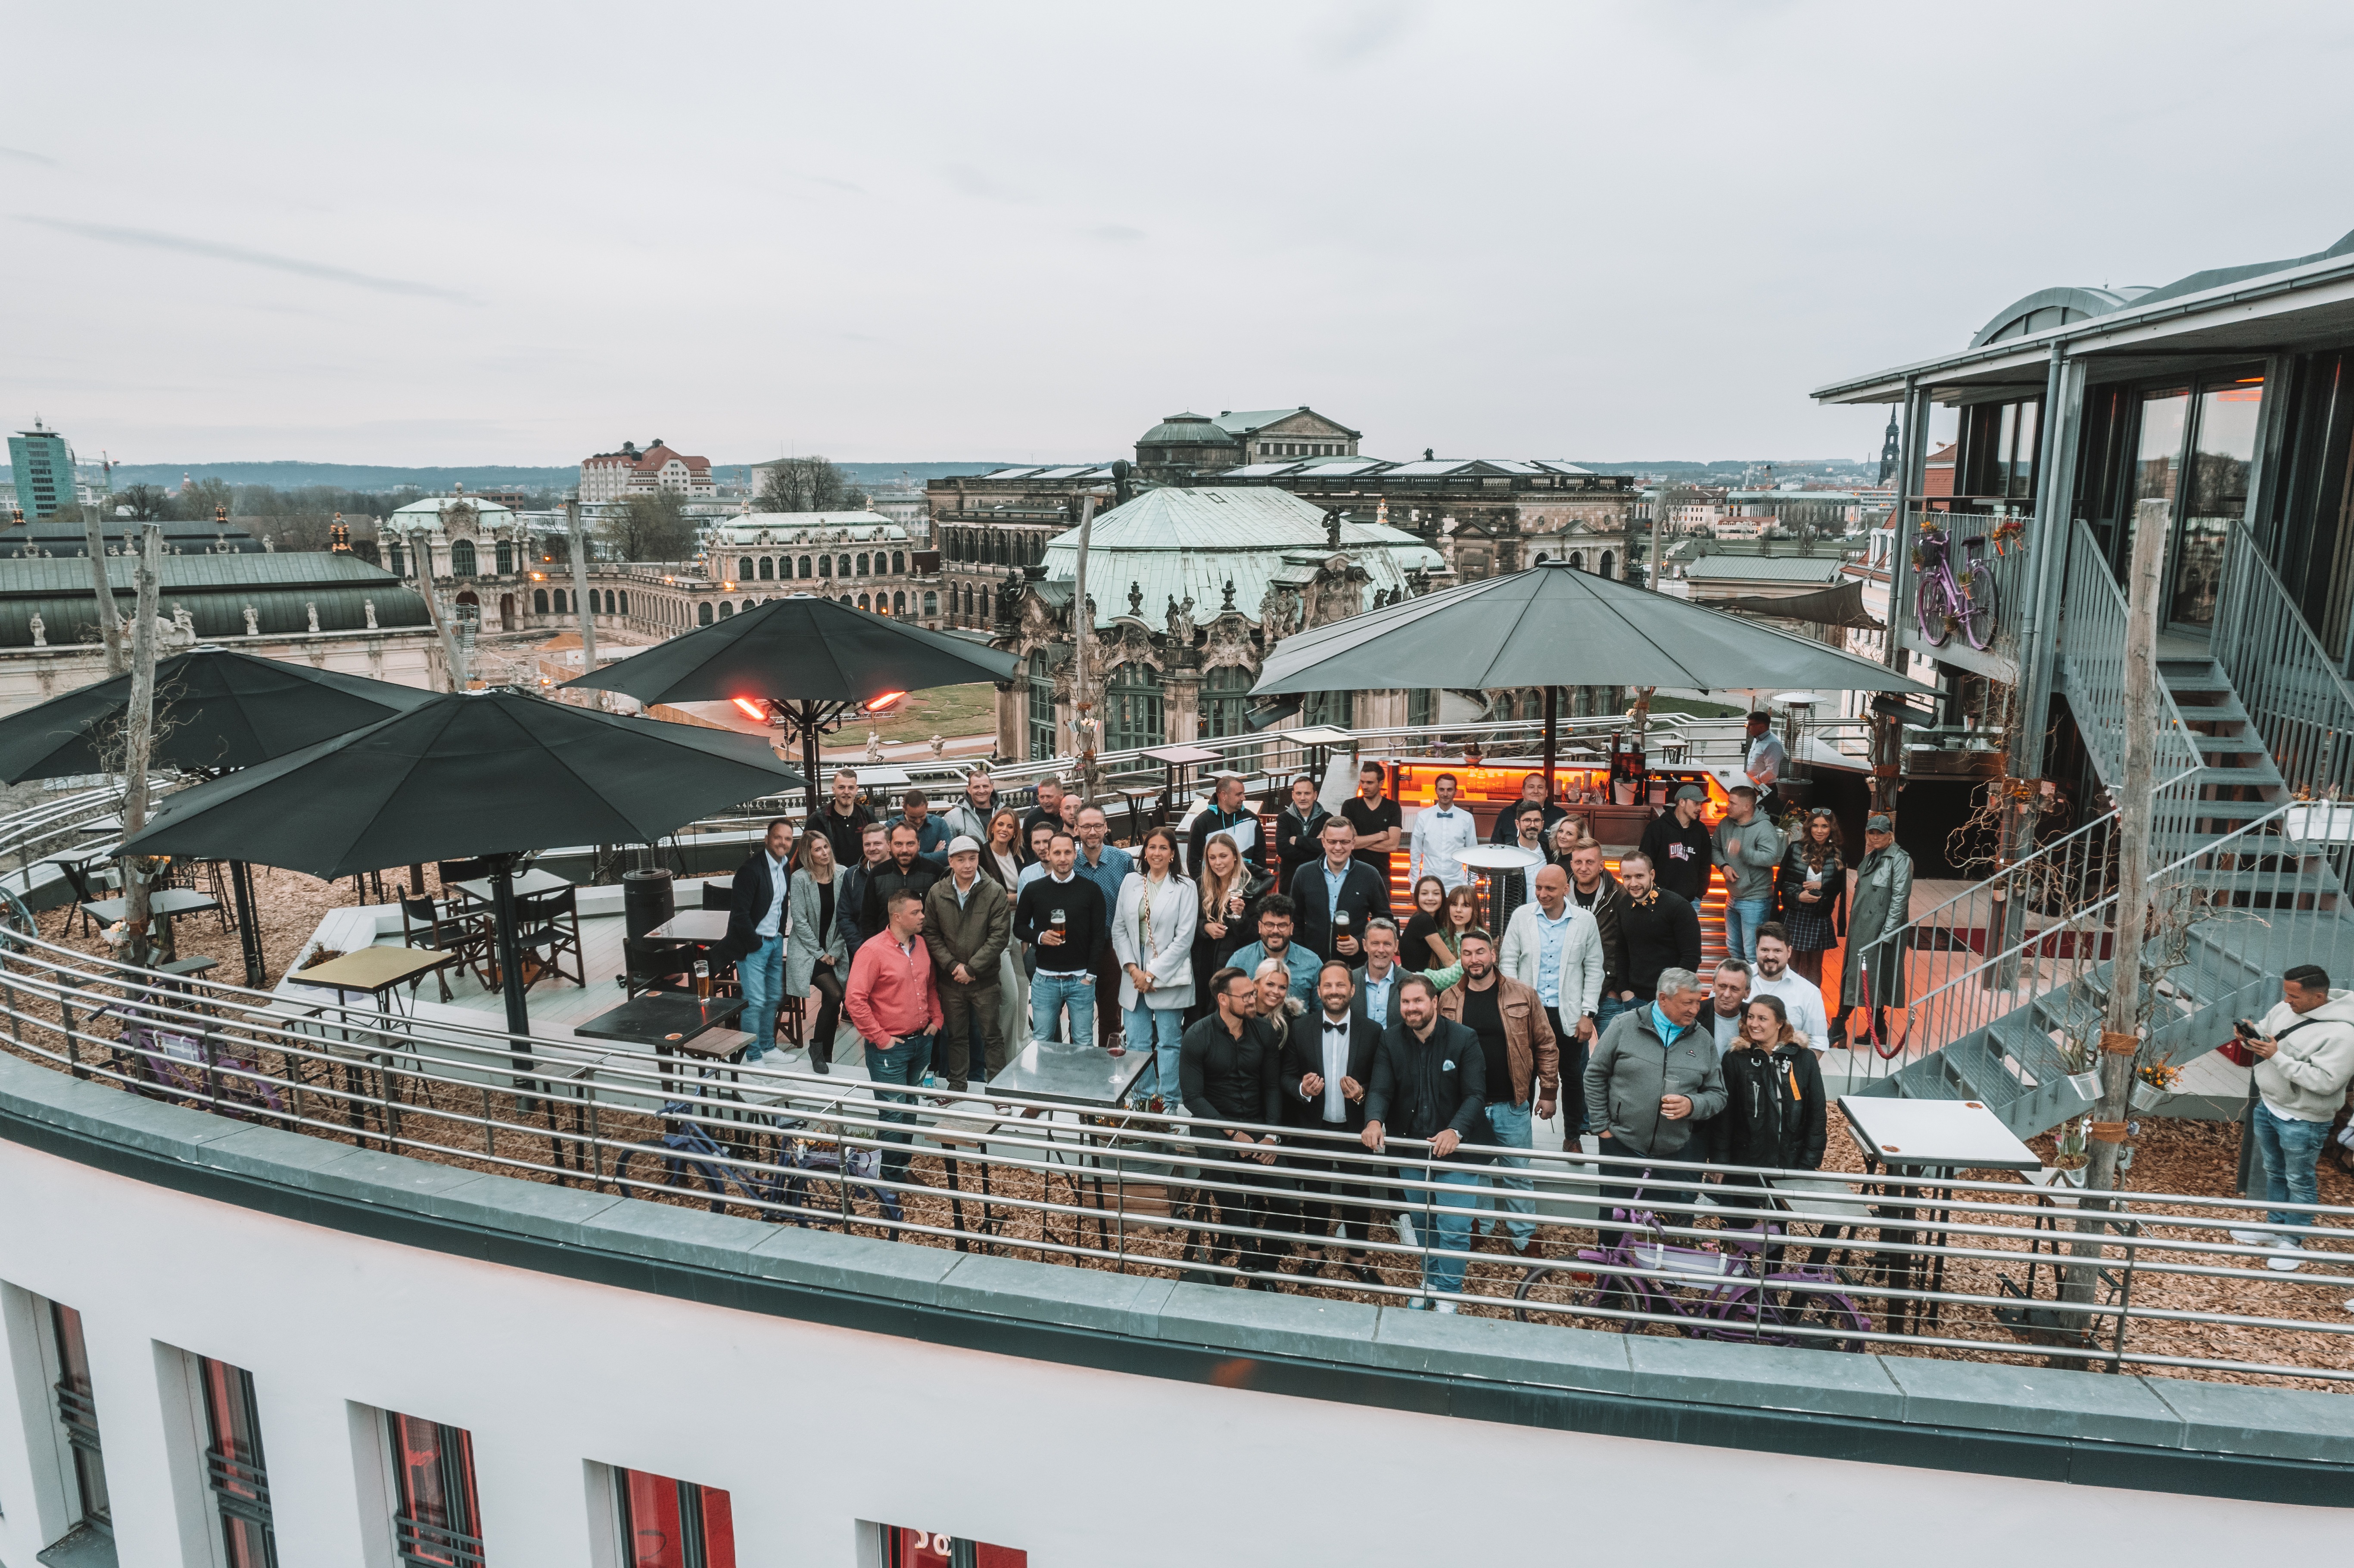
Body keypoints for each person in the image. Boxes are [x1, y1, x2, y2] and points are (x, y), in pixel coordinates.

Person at [1361, 974, 1489, 1310]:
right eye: (1405, 1002)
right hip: (1412, 1149)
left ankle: (1448, 1294)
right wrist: (1374, 1120)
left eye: (1418, 1001)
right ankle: (1430, 1282)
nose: (1411, 1008)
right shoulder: (1391, 1039)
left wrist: (1455, 1130)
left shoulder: (1464, 1038)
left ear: (1434, 1002)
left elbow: (1476, 1095)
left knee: (1454, 1228)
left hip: (1457, 1152)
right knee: (1423, 1224)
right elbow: (1381, 1089)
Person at [1583, 968, 1726, 1253]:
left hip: (1674, 1153)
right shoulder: (1624, 1026)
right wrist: (1602, 1128)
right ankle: (1610, 1277)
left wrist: (1692, 1105)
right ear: (1663, 999)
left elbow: (1718, 1094)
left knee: (1665, 1230)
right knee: (1614, 1222)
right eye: (1687, 1002)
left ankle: (1656, 1281)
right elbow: (1594, 1075)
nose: (1695, 1009)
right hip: (1621, 1145)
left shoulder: (1703, 1040)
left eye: (1698, 1002)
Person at [1436, 930, 1558, 1259]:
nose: (1474, 959)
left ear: (1493, 955)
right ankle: (1480, 1226)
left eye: (1480, 952)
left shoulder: (1523, 994)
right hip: (1467, 1106)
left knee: (1517, 1173)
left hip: (1511, 1102)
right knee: (1474, 1172)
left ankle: (1524, 1237)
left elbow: (1546, 1044)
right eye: (1467, 954)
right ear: (1460, 958)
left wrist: (1549, 1091)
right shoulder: (1448, 999)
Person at [2234, 964, 2354, 1271]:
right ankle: (2275, 1228)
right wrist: (2250, 1037)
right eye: (2286, 994)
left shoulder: (2344, 1034)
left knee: (2299, 1181)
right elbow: (2267, 1032)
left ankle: (2293, 1242)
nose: (2287, 1001)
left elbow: (2326, 1082)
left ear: (2318, 997)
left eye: (2294, 996)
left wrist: (2276, 1056)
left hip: (2304, 1119)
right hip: (2269, 1106)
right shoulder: (2286, 1008)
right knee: (2274, 1172)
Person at [1179, 966, 1287, 1285]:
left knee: (1288, 1199)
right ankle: (1247, 1243)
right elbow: (1193, 1097)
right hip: (1213, 1120)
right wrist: (1233, 1134)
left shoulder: (1264, 1032)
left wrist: (1272, 1135)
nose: (1254, 1000)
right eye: (1247, 996)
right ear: (1223, 1000)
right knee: (1219, 1164)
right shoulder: (1197, 1035)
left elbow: (1272, 1087)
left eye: (1253, 993)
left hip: (1256, 1122)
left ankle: (1263, 1267)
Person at [1283, 961, 1383, 1279]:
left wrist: (1362, 1093)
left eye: (1341, 985)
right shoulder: (1300, 1028)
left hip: (1356, 1129)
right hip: (1315, 1126)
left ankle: (1357, 1259)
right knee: (1315, 1193)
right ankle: (1315, 1255)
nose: (1334, 991)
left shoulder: (1373, 1031)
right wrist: (1302, 1089)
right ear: (1319, 991)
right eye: (1328, 985)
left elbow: (1382, 1082)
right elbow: (1285, 1076)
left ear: (1353, 990)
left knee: (1358, 1195)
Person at [843, 887, 943, 1188]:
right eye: (916, 912)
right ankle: (889, 1183)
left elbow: (930, 985)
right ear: (897, 917)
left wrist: (937, 1019)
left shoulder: (921, 945)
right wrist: (880, 1038)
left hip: (922, 1042)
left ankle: (901, 1168)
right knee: (892, 1114)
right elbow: (854, 1000)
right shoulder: (872, 951)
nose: (923, 916)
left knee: (910, 1109)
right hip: (890, 1050)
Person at [1497, 863, 1604, 1137]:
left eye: (1550, 889)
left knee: (1572, 1076)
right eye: (1539, 888)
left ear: (1566, 889)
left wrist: (1588, 1014)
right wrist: (1514, 1003)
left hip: (1568, 1014)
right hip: (1528, 1013)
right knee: (1525, 1074)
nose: (1542, 894)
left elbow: (1594, 969)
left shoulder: (1585, 921)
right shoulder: (1522, 916)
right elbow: (1508, 961)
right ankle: (1522, 1138)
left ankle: (1573, 1137)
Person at [1709, 993, 1826, 1211]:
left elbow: (1817, 1113)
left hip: (1789, 1161)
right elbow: (1725, 1116)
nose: (1754, 1024)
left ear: (1780, 1023)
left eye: (1762, 1019)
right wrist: (1721, 1160)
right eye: (1751, 1017)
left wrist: (1809, 1163)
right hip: (1745, 1161)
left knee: (1777, 1226)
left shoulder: (1804, 1059)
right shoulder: (1735, 1059)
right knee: (1738, 1225)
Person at [1113, 827, 1197, 1108]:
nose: (1157, 853)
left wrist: (1152, 974)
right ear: (1144, 851)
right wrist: (1134, 970)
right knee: (1136, 1043)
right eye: (1152, 847)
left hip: (1167, 971)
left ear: (1173, 853)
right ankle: (1144, 1099)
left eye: (1163, 848)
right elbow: (1119, 929)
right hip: (1133, 970)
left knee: (1169, 1043)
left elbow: (1184, 939)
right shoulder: (1130, 882)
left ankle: (1169, 1101)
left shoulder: (1186, 887)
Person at [923, 836, 1011, 1094]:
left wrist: (972, 969)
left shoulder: (994, 891)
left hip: (984, 982)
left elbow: (999, 937)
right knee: (956, 1036)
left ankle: (998, 1091)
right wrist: (953, 966)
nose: (968, 865)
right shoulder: (937, 892)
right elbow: (931, 933)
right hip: (951, 982)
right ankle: (957, 1086)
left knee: (992, 1037)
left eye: (973, 858)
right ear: (950, 862)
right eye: (961, 860)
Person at [1012, 831, 1106, 1045]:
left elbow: (1098, 935)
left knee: (1083, 1041)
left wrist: (1090, 975)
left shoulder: (1091, 890)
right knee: (1043, 1042)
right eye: (1057, 853)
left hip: (1080, 979)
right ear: (1049, 854)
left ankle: (1079, 1072)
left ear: (1075, 854)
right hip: (1045, 979)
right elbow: (1019, 927)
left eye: (1067, 853)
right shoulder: (1034, 889)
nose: (1063, 858)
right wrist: (1040, 936)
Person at [722, 818, 796, 1062]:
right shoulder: (750, 870)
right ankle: (753, 1057)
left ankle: (768, 1048)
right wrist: (756, 944)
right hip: (754, 945)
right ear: (767, 840)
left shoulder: (785, 866)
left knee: (773, 997)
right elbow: (739, 915)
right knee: (755, 1002)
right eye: (778, 837)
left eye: (788, 838)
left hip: (775, 942)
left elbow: (780, 905)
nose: (783, 842)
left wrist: (779, 936)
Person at [1839, 814, 1913, 1049]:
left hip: (1879, 930)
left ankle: (1839, 1024)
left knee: (1865, 974)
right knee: (1872, 976)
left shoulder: (1900, 859)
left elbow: (1900, 899)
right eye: (1871, 833)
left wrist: (1887, 934)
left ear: (1890, 834)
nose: (1875, 837)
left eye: (1880, 833)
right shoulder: (1872, 857)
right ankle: (1879, 1027)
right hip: (1863, 927)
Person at [1287, 816, 1392, 971]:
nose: (1338, 848)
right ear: (1324, 842)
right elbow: (1294, 919)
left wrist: (1361, 942)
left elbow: (1384, 920)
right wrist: (1303, 954)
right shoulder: (1304, 873)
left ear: (1353, 843)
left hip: (1355, 967)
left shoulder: (1370, 875)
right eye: (1332, 842)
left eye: (1344, 842)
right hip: (1312, 965)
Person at [785, 827, 849, 1073]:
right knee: (835, 995)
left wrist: (834, 951)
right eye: (817, 850)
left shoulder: (843, 874)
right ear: (808, 854)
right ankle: (817, 1048)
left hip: (835, 949)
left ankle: (826, 1055)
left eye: (826, 847)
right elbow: (800, 921)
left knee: (833, 1001)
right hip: (807, 951)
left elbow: (846, 917)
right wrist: (820, 953)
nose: (824, 853)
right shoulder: (800, 879)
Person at [1073, 806, 1135, 1048]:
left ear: (1106, 827)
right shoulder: (1070, 862)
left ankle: (1108, 1064)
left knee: (1111, 1015)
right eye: (1086, 827)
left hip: (1112, 946)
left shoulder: (1123, 860)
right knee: (1079, 1016)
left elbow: (1133, 902)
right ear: (1076, 829)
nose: (1092, 832)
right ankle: (1079, 1063)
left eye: (1098, 826)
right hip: (1079, 948)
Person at [1189, 832, 1269, 1016]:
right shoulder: (1201, 884)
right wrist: (1204, 927)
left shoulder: (1251, 887)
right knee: (1199, 1017)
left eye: (1223, 856)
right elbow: (1186, 922)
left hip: (1234, 964)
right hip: (1202, 964)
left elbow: (1255, 936)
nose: (1218, 863)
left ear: (1235, 856)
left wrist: (1240, 917)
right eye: (1212, 858)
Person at [1564, 839, 1631, 1037]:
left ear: (1601, 865)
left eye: (1590, 862)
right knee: (1570, 1055)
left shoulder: (1621, 896)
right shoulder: (1560, 894)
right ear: (1572, 864)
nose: (1583, 868)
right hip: (1567, 992)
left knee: (1608, 1052)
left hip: (1608, 993)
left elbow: (1630, 945)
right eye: (1579, 862)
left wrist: (1617, 989)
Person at [1713, 784, 1785, 964]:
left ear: (1747, 806)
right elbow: (1714, 848)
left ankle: (1755, 984)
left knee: (1752, 954)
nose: (1728, 806)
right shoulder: (1726, 823)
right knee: (1734, 950)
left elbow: (1771, 858)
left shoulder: (1764, 827)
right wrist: (1724, 866)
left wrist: (1743, 851)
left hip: (1756, 900)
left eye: (1732, 803)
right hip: (1732, 897)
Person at [1778, 807, 1846, 993]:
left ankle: (1811, 1004)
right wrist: (1798, 895)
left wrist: (1822, 887)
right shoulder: (1795, 848)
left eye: (1825, 826)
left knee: (1814, 965)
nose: (1819, 831)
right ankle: (1788, 1004)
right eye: (1815, 826)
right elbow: (1784, 882)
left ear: (1831, 829)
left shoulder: (1838, 854)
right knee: (1791, 962)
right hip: (1795, 913)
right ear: (1809, 827)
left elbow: (1838, 887)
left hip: (1819, 914)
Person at [1617, 852, 1701, 1002]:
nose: (1633, 883)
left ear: (1652, 875)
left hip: (1670, 999)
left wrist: (1671, 995)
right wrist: (1624, 990)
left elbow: (1691, 958)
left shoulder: (1678, 907)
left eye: (1639, 876)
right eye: (1627, 877)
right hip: (1634, 999)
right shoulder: (1623, 905)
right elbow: (1621, 950)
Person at [1229, 894, 1320, 1008]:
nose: (1275, 931)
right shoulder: (1239, 961)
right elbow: (1229, 1006)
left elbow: (1319, 1012)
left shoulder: (1312, 963)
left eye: (1282, 925)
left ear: (1291, 928)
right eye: (1269, 925)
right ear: (1260, 927)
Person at [1749, 924, 1831, 1053]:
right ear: (1756, 949)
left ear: (1789, 952)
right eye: (1765, 950)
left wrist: (1801, 1067)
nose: (1770, 956)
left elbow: (1818, 1043)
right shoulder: (1738, 980)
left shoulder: (1809, 992)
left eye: (1777, 951)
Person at [862, 821, 944, 940]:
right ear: (889, 846)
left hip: (927, 946)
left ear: (919, 845)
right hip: (887, 947)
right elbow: (868, 920)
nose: (904, 850)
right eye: (898, 844)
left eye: (910, 844)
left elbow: (943, 918)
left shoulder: (936, 872)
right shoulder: (877, 875)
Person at [1638, 783, 1713, 904]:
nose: (1700, 808)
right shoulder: (1657, 828)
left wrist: (1699, 895)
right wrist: (1650, 894)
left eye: (1701, 804)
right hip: (1659, 900)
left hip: (1690, 902)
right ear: (1682, 802)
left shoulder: (1701, 831)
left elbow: (1705, 865)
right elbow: (1644, 863)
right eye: (1696, 803)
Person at [1408, 772, 1479, 890]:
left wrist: (1471, 885)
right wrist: (1414, 885)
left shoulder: (1467, 818)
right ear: (1436, 790)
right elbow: (1415, 852)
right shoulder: (1423, 816)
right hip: (1429, 883)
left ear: (1456, 791)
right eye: (1442, 790)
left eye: (1449, 790)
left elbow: (1472, 854)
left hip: (1457, 885)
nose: (1445, 794)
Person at [1186, 772, 1263, 876]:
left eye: (1243, 793)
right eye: (1239, 794)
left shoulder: (1253, 819)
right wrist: (1205, 885)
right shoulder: (1202, 823)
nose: (1243, 798)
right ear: (1224, 795)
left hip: (1247, 883)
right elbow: (1193, 863)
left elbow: (1260, 858)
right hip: (1212, 884)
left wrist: (1254, 883)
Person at [834, 821, 891, 954]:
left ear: (889, 845)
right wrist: (861, 949)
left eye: (877, 844)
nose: (872, 848)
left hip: (896, 950)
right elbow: (844, 917)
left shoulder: (900, 872)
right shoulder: (852, 875)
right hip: (863, 950)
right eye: (867, 844)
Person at [1340, 760, 1402, 878]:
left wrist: (1358, 842)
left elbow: (1393, 846)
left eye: (1370, 783)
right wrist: (1379, 837)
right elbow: (1346, 842)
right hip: (1352, 873)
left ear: (1381, 783)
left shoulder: (1393, 808)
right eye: (1362, 782)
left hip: (1381, 875)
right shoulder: (1350, 806)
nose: (1364, 787)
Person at [1494, 801, 1551, 928]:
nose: (1532, 825)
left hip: (1546, 920)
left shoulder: (1550, 852)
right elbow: (1497, 896)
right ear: (1518, 824)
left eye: (1537, 821)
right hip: (1515, 922)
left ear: (1542, 825)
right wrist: (1496, 930)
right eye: (1527, 821)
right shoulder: (1506, 853)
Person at [805, 767, 873, 868]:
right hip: (829, 876)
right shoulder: (817, 820)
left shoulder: (867, 816)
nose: (846, 792)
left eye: (851, 788)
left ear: (857, 790)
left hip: (862, 875)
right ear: (834, 790)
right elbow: (804, 855)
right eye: (842, 787)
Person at [1272, 774, 1332, 885]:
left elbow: (1328, 848)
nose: (1303, 798)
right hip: (1291, 882)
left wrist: (1298, 840)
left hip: (1319, 880)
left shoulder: (1327, 819)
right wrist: (1315, 846)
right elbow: (1283, 850)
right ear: (1293, 795)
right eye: (1299, 794)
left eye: (1307, 793)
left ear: (1315, 795)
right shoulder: (1284, 818)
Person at [1487, 771, 1566, 844]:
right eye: (1531, 787)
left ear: (1546, 793)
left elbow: (1566, 845)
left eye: (1540, 787)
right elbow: (1496, 844)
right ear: (1523, 791)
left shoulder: (1560, 816)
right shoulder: (1507, 814)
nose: (1536, 791)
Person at [1399, 876, 1450, 971]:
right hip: (1416, 979)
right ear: (1417, 897)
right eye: (1424, 894)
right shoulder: (1424, 920)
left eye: (1436, 894)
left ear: (1443, 897)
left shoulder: (1419, 917)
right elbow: (1449, 962)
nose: (1430, 898)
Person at [940, 767, 1000, 846]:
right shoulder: (953, 817)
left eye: (985, 786)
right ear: (969, 789)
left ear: (992, 787)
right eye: (976, 787)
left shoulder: (1004, 813)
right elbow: (948, 849)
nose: (982, 791)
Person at [1706, 959, 1751, 1058]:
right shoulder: (1695, 1014)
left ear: (1747, 993)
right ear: (1713, 986)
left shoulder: (1754, 1018)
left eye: (1735, 989)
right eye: (1722, 986)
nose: (1727, 994)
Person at [1742, 710, 1786, 812]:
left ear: (1762, 726)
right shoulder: (1757, 739)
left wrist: (1754, 781)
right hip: (1755, 787)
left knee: (1763, 815)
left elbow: (1772, 772)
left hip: (1765, 790)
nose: (1748, 727)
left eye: (1751, 725)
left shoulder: (1773, 744)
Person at [976, 808, 1027, 893]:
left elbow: (1029, 885)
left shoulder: (1021, 853)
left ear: (1015, 833)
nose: (1004, 829)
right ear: (993, 828)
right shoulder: (982, 854)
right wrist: (1018, 897)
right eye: (1000, 825)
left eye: (1010, 827)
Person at [894, 789, 951, 858]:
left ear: (927, 806)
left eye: (922, 816)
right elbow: (890, 857)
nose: (918, 821)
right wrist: (934, 855)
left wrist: (910, 857)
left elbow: (947, 855)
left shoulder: (939, 824)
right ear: (904, 808)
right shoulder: (892, 826)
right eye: (913, 818)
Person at [1022, 776, 1068, 844]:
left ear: (1061, 794)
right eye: (1042, 797)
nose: (1045, 801)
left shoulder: (1072, 815)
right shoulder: (1032, 818)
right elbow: (1026, 847)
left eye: (1049, 797)